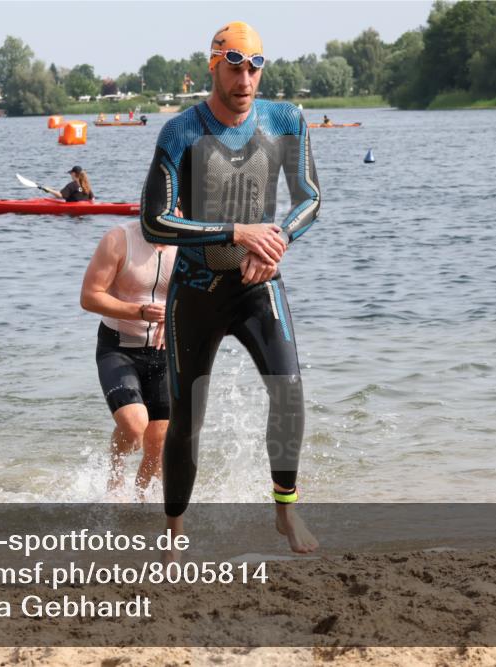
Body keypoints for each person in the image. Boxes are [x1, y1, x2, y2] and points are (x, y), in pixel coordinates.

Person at [141, 21, 321, 554]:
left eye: (255, 66)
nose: (246, 78)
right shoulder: (181, 132)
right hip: (195, 290)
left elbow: (310, 198)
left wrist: (277, 241)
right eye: (235, 64)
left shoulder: (285, 120)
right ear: (214, 66)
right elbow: (153, 222)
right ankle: (174, 528)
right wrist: (237, 232)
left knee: (288, 391)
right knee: (186, 418)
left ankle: (286, 511)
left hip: (258, 283)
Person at [81, 219, 177, 494]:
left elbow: (202, 297)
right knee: (134, 425)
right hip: (118, 348)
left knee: (158, 445)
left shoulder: (188, 246)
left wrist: (173, 314)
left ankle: (140, 508)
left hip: (163, 352)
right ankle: (116, 467)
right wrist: (140, 312)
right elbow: (89, 297)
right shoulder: (119, 239)